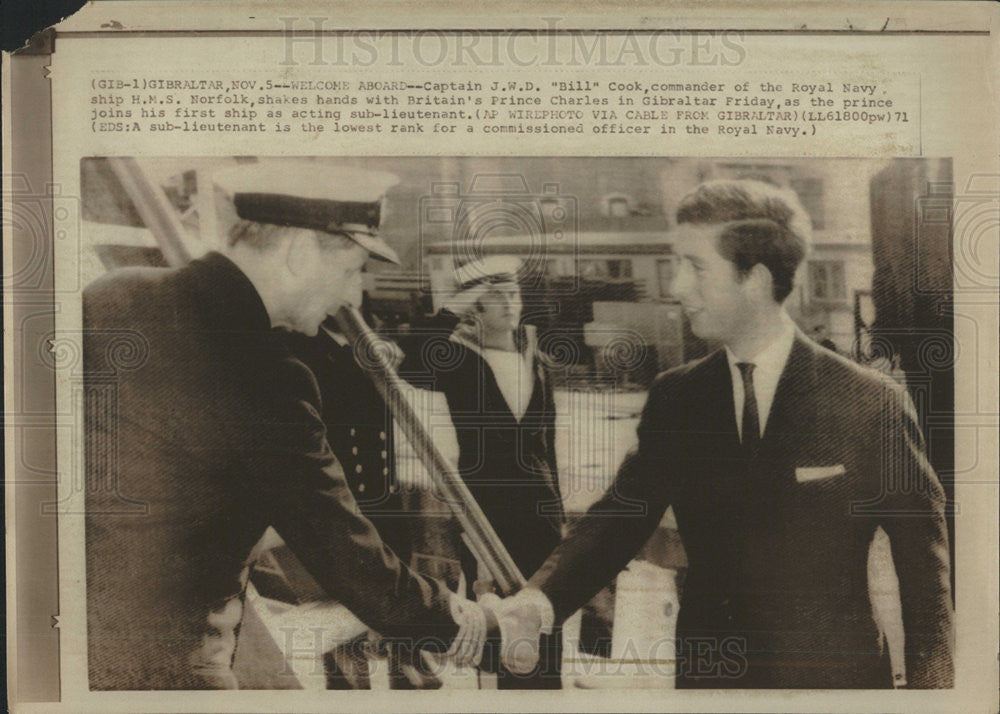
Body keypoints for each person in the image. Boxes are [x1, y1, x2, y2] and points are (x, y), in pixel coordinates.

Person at [489, 179, 954, 689]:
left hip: (834, 685)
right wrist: (536, 603)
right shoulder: (677, 397)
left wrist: (936, 694)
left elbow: (924, 579)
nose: (677, 287)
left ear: (753, 278)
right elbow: (618, 519)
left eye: (695, 266)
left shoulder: (870, 401)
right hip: (712, 681)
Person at [84, 162, 486, 690]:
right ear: (299, 252)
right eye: (350, 271)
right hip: (168, 666)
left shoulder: (110, 295)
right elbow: (343, 553)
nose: (348, 295)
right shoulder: (266, 373)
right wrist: (474, 622)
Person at [395, 256, 566, 689]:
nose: (509, 303)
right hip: (486, 508)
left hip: (541, 511)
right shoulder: (457, 358)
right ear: (476, 308)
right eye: (496, 297)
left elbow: (546, 441)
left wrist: (559, 510)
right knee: (497, 618)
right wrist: (452, 308)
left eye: (513, 294)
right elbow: (410, 366)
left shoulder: (536, 356)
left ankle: (546, 692)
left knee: (547, 610)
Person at [283, 315, 442, 690]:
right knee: (345, 625)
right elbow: (344, 390)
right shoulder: (302, 343)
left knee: (402, 600)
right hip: (340, 502)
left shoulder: (367, 334)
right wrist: (372, 356)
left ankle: (408, 666)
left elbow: (424, 362)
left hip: (383, 497)